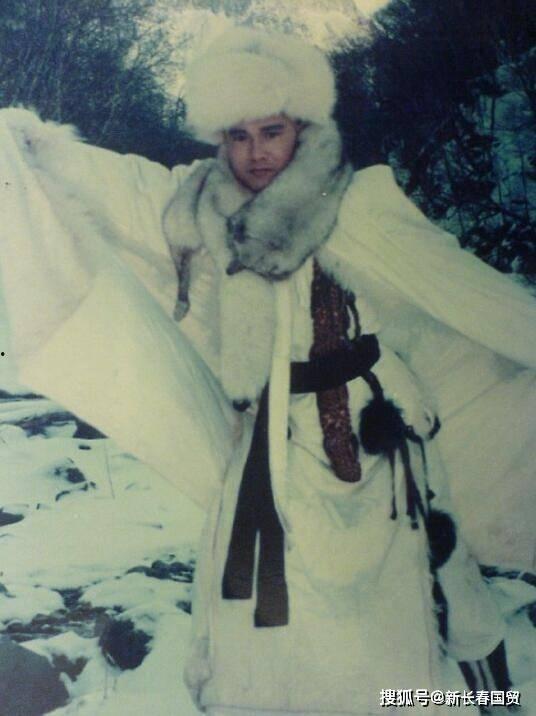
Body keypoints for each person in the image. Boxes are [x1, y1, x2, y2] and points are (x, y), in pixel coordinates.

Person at [0, 27, 535, 716]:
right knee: (276, 620)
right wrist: (33, 149)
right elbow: (125, 186)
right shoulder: (199, 205)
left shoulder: (362, 202)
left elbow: (464, 290)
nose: (256, 152)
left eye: (272, 132)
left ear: (301, 126)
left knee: (414, 601)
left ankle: (447, 702)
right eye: (239, 135)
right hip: (273, 451)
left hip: (377, 447)